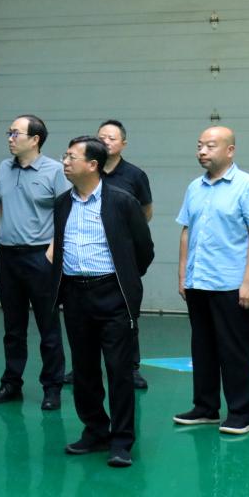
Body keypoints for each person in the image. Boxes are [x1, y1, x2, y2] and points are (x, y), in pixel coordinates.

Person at [50, 136, 153, 468]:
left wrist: (124, 279)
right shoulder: (63, 203)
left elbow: (144, 249)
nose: (65, 162)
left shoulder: (121, 201)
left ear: (92, 165)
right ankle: (95, 431)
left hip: (112, 294)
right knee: (84, 370)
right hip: (75, 295)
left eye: (71, 157)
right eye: (65, 156)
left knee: (118, 370)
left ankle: (121, 440)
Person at [173, 126, 249, 436]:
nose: (202, 151)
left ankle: (241, 413)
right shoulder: (194, 188)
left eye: (210, 146)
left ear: (230, 150)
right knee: (202, 348)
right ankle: (205, 407)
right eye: (199, 145)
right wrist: (183, 274)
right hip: (198, 282)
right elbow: (186, 230)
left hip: (231, 284)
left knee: (236, 351)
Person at [0, 115, 70, 410]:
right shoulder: (5, 169)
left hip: (40, 257)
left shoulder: (55, 171)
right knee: (12, 327)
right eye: (9, 133)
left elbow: (66, 212)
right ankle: (11, 383)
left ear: (35, 140)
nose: (10, 138)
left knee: (48, 326)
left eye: (15, 134)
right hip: (9, 257)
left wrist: (53, 249)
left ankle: (52, 387)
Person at [63, 119, 155, 390]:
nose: (106, 141)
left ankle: (131, 367)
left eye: (112, 138)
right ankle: (82, 367)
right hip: (83, 273)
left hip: (119, 260)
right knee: (84, 330)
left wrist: (128, 257)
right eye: (101, 136)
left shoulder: (134, 175)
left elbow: (145, 214)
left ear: (123, 144)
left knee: (125, 320)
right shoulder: (84, 178)